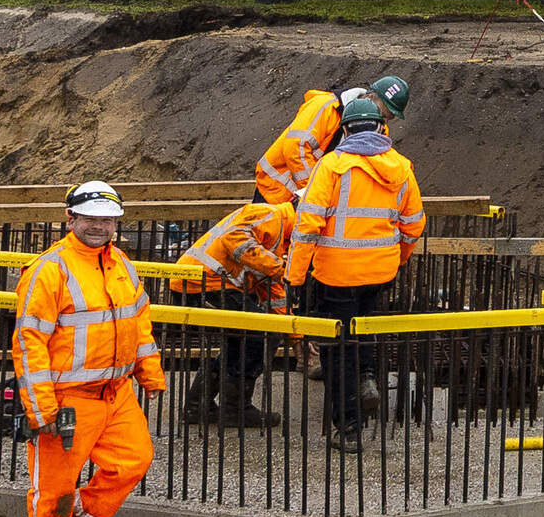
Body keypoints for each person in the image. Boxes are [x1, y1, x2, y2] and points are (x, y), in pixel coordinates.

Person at [13, 181, 165, 517]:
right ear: (71, 219)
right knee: (53, 491)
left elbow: (139, 324)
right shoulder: (49, 270)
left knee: (133, 461)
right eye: (92, 219)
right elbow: (28, 343)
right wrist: (40, 408)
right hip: (66, 402)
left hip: (115, 394)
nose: (100, 227)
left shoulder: (120, 264)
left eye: (107, 220)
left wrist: (149, 374)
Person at [284, 89, 422, 449]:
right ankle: (368, 378)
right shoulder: (402, 168)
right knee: (364, 330)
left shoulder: (330, 167)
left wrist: (294, 278)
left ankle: (348, 428)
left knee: (337, 348)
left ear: (345, 131)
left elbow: (307, 226)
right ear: (380, 128)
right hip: (380, 274)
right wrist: (398, 259)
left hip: (336, 276)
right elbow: (414, 225)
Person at [167, 197, 294, 427]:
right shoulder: (270, 215)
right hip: (202, 285)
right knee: (257, 339)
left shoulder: (282, 239)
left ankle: (197, 407)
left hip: (212, 285)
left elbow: (276, 296)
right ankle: (235, 408)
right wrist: (280, 268)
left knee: (242, 341)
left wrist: (296, 336)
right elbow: (233, 238)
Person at [249, 88, 346, 207]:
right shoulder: (326, 106)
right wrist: (312, 192)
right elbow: (295, 147)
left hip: (297, 197)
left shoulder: (348, 117)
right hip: (276, 190)